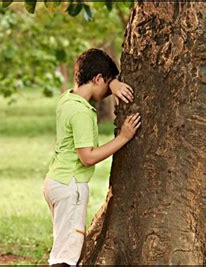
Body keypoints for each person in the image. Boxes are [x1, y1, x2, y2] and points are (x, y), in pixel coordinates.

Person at [43, 48, 141, 266]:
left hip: (56, 181)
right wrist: (123, 138)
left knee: (66, 245)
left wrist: (112, 83)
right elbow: (87, 157)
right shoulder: (81, 113)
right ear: (97, 78)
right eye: (107, 86)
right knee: (66, 257)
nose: (108, 93)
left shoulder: (67, 100)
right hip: (71, 186)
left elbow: (96, 81)